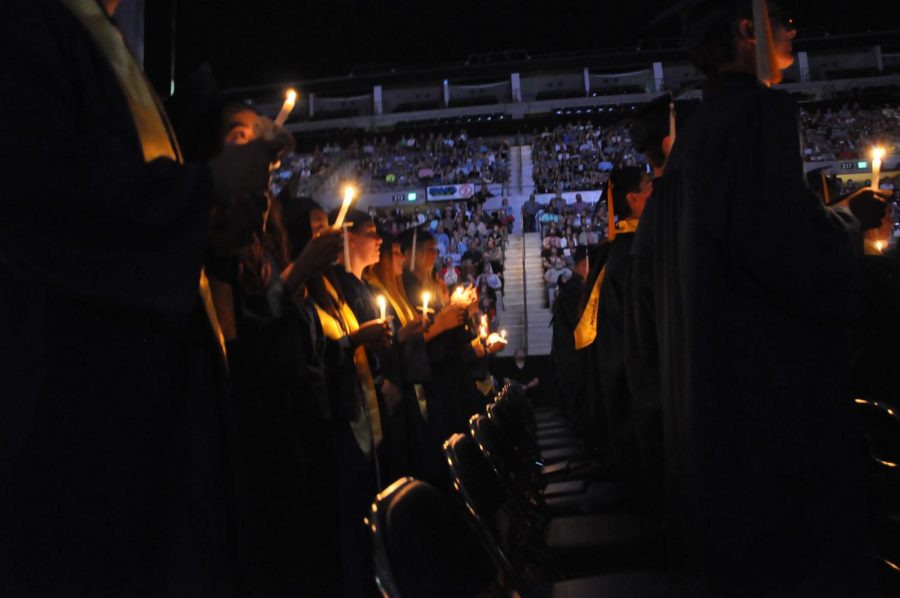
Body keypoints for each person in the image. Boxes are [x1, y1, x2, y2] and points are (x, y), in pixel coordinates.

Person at [0, 1, 290, 595]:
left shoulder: (101, 42)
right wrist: (207, 186)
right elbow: (51, 199)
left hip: (163, 420)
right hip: (88, 430)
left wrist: (211, 222)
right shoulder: (26, 26)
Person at [647, 1, 887, 594]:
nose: (794, 27)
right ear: (747, 29)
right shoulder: (756, 115)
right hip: (768, 412)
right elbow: (784, 252)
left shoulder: (702, 131)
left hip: (717, 412)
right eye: (782, 17)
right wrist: (851, 222)